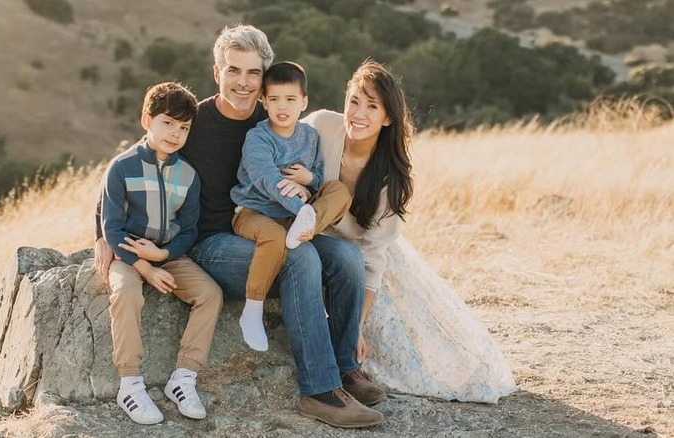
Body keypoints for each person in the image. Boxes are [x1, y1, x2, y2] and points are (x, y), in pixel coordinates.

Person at [95, 25, 385, 428]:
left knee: (347, 257)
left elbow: (342, 135)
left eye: (253, 73)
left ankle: (343, 369)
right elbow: (134, 157)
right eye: (233, 70)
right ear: (218, 74)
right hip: (210, 243)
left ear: (265, 79)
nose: (243, 82)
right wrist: (101, 231)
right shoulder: (195, 120)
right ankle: (319, 391)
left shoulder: (276, 121)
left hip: (274, 228)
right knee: (297, 259)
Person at [302, 60, 516, 403]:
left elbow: (372, 256)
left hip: (363, 251)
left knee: (395, 336)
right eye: (354, 101)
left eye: (372, 106)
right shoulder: (320, 126)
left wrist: (358, 325)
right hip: (311, 236)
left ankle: (349, 369)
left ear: (387, 118)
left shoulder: (391, 178)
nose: (359, 113)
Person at [100, 82, 223, 424]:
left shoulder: (189, 175)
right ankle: (130, 384)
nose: (175, 133)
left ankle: (184, 378)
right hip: (128, 256)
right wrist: (146, 266)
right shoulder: (121, 168)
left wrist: (164, 254)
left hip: (168, 255)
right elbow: (112, 227)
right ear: (147, 120)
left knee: (210, 294)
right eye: (167, 122)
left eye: (184, 127)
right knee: (126, 293)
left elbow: (189, 229)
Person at [230, 61, 351, 352]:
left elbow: (319, 176)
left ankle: (307, 225)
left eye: (290, 99)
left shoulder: (310, 136)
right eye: (274, 99)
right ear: (264, 102)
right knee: (272, 237)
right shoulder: (257, 137)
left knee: (339, 191)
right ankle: (253, 310)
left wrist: (308, 181)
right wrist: (300, 204)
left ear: (304, 102)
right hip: (253, 213)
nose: (282, 107)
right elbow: (266, 179)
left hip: (294, 216)